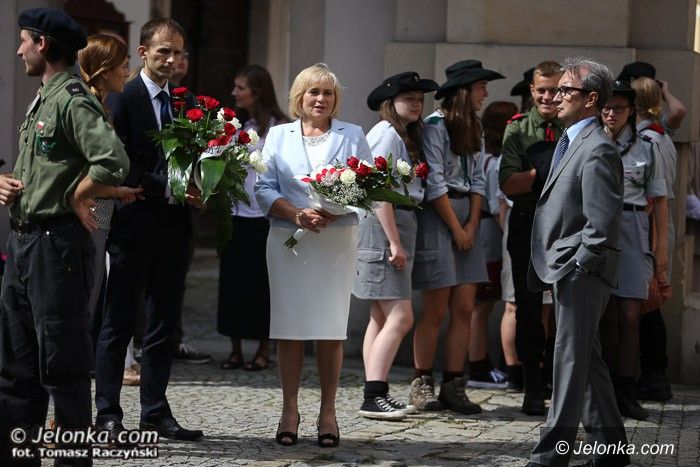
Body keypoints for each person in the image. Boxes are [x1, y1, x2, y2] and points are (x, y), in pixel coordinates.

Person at [0, 8, 131, 466]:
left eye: (24, 40)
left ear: (43, 44)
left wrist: (79, 194)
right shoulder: (44, 97)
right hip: (23, 243)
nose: (19, 49)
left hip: (56, 247)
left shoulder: (72, 98)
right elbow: (46, 167)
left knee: (63, 369)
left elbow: (112, 162)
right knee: (16, 370)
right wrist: (8, 183)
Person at [94, 17, 204, 442]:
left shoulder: (185, 99)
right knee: (118, 322)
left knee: (164, 324)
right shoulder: (124, 97)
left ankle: (155, 412)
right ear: (143, 53)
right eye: (163, 52)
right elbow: (122, 164)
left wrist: (208, 181)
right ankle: (108, 413)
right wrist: (171, 186)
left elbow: (196, 154)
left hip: (176, 227)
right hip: (133, 224)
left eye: (178, 52)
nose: (172, 60)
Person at [255, 63, 372, 447]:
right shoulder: (278, 135)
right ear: (299, 97)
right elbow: (263, 187)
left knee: (329, 331)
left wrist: (337, 209)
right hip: (289, 238)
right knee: (289, 329)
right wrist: (295, 213)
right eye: (313, 92)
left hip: (335, 241)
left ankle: (328, 413)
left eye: (328, 93)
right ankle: (289, 410)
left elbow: (369, 188)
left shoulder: (352, 134)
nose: (321, 99)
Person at [526, 56, 629, 467]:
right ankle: (611, 450)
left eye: (565, 90)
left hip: (580, 271)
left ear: (590, 99)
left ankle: (551, 456)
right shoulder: (572, 140)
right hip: (567, 266)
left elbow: (601, 226)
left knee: (568, 361)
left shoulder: (597, 148)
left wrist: (578, 266)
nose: (555, 96)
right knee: (587, 359)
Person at [410, 60, 503, 415]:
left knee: (464, 307)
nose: (485, 93)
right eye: (481, 87)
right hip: (440, 215)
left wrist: (473, 224)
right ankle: (422, 382)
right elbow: (434, 183)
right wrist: (456, 228)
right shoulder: (435, 127)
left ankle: (454, 384)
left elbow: (478, 179)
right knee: (435, 307)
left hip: (467, 215)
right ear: (465, 91)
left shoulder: (474, 126)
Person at [354, 72, 438, 420]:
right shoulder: (387, 134)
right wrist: (394, 241)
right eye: (409, 98)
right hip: (385, 225)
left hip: (398, 222)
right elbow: (377, 192)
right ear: (391, 102)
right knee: (401, 317)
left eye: (419, 98)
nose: (417, 104)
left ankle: (375, 391)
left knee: (380, 316)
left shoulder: (401, 134)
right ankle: (374, 395)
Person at [77, 33, 145, 388]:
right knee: (83, 295)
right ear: (104, 70)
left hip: (102, 209)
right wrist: (113, 190)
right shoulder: (84, 107)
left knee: (93, 292)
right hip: (87, 211)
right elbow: (82, 172)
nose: (128, 71)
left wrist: (116, 192)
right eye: (123, 65)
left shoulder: (102, 104)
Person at [598, 80, 668, 422]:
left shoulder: (648, 146)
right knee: (606, 315)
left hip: (634, 226)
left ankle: (626, 389)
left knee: (630, 314)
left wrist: (661, 248)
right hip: (599, 229)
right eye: (606, 108)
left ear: (631, 111)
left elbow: (660, 200)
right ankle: (606, 388)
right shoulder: (590, 142)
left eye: (619, 108)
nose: (612, 114)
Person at [498, 61, 564, 415]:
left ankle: (559, 377)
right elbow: (508, 183)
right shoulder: (518, 129)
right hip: (528, 221)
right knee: (528, 305)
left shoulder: (575, 126)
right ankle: (532, 383)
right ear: (532, 91)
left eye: (555, 90)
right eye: (542, 90)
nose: (548, 97)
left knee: (567, 303)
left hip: (567, 224)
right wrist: (546, 172)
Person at [218, 65, 288, 371]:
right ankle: (234, 348)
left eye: (240, 87)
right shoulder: (238, 125)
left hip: (264, 216)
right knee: (233, 282)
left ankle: (263, 349)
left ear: (257, 91)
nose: (234, 93)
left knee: (262, 284)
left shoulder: (279, 127)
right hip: (235, 213)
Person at [632, 76, 678, 402]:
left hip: (650, 227)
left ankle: (654, 375)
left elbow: (654, 194)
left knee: (648, 305)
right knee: (648, 304)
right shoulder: (660, 135)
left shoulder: (648, 139)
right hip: (655, 226)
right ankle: (652, 373)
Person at [467, 101, 518, 390]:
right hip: (490, 235)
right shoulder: (494, 162)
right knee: (482, 305)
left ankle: (481, 363)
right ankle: (478, 366)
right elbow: (499, 208)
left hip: (486, 233)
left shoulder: (484, 157)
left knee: (482, 305)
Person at [616, 61, 686, 135]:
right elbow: (679, 110)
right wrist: (665, 92)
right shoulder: (653, 113)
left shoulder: (653, 113)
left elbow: (679, 111)